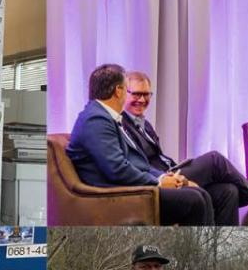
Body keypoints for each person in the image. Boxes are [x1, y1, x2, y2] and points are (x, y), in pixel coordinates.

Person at [120, 70, 248, 224]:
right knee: (215, 159)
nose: (142, 100)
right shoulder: (120, 124)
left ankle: (223, 249)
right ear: (122, 94)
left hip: (170, 170)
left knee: (228, 191)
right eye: (136, 94)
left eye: (146, 94)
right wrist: (165, 176)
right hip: (158, 181)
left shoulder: (145, 124)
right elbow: (135, 163)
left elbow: (158, 157)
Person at [66, 64, 215, 225]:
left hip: (127, 188)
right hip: (115, 195)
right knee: (195, 199)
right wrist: (158, 182)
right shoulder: (96, 120)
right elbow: (117, 169)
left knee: (201, 195)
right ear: (118, 91)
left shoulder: (106, 117)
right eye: (127, 89)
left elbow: (134, 161)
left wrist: (163, 176)